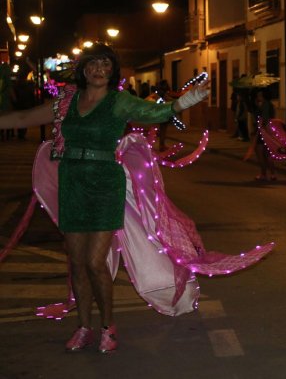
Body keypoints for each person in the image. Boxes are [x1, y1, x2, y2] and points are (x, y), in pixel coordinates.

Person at [0, 43, 210, 352]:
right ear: (84, 69)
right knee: (78, 262)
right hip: (71, 182)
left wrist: (182, 104)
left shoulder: (118, 101)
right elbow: (22, 118)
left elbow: (153, 112)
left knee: (96, 261)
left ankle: (107, 326)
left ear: (112, 71)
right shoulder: (66, 103)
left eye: (105, 64)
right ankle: (84, 326)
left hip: (104, 183)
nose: (99, 69)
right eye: (93, 64)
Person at [252, 88, 277, 180]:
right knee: (267, 154)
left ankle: (263, 174)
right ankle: (272, 174)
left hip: (263, 131)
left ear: (263, 96)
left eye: (259, 95)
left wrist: (260, 127)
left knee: (261, 154)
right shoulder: (269, 105)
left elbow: (264, 118)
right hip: (268, 131)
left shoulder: (265, 105)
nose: (258, 97)